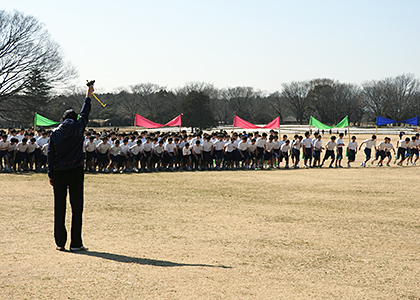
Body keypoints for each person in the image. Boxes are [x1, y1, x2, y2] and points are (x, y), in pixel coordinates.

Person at [48, 84, 93, 252]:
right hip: (75, 171)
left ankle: (60, 242)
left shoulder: (54, 133)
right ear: (75, 119)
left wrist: (50, 174)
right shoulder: (78, 127)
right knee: (77, 207)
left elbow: (50, 155)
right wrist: (88, 94)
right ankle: (75, 243)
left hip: (58, 172)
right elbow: (85, 112)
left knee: (59, 207)